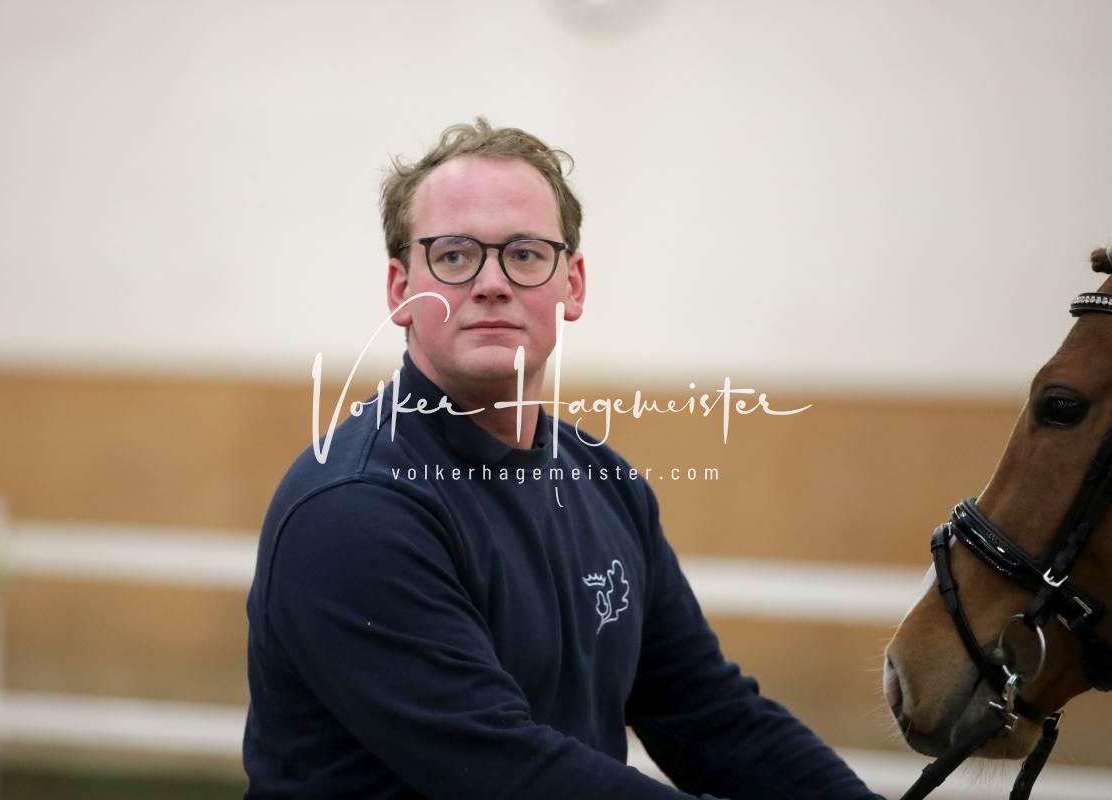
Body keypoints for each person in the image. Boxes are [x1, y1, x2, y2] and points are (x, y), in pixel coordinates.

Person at [242, 119, 882, 799]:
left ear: (572, 285)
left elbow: (709, 716)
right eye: (454, 255)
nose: (492, 282)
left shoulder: (606, 483)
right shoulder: (353, 509)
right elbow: (508, 773)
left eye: (525, 254)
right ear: (401, 290)